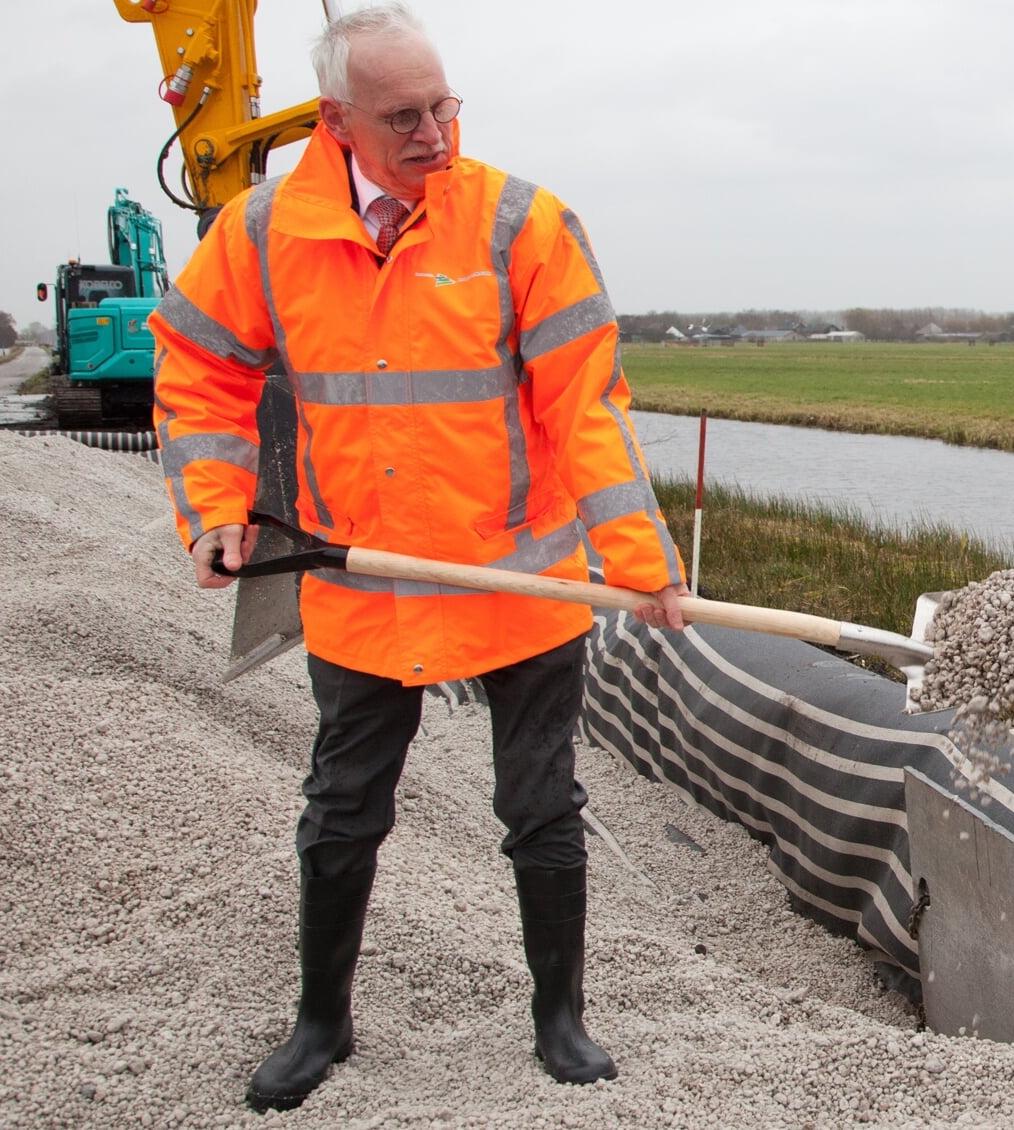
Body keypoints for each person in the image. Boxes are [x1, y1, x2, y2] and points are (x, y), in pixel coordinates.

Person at [149, 3, 688, 1109]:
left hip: (519, 579)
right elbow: (197, 370)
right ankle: (322, 1021)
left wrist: (637, 555)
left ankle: (561, 1019)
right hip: (362, 583)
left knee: (541, 805)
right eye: (404, 117)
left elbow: (587, 401)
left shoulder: (520, 222)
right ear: (337, 122)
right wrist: (211, 505)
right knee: (343, 805)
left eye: (444, 106)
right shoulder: (263, 232)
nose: (435, 134)